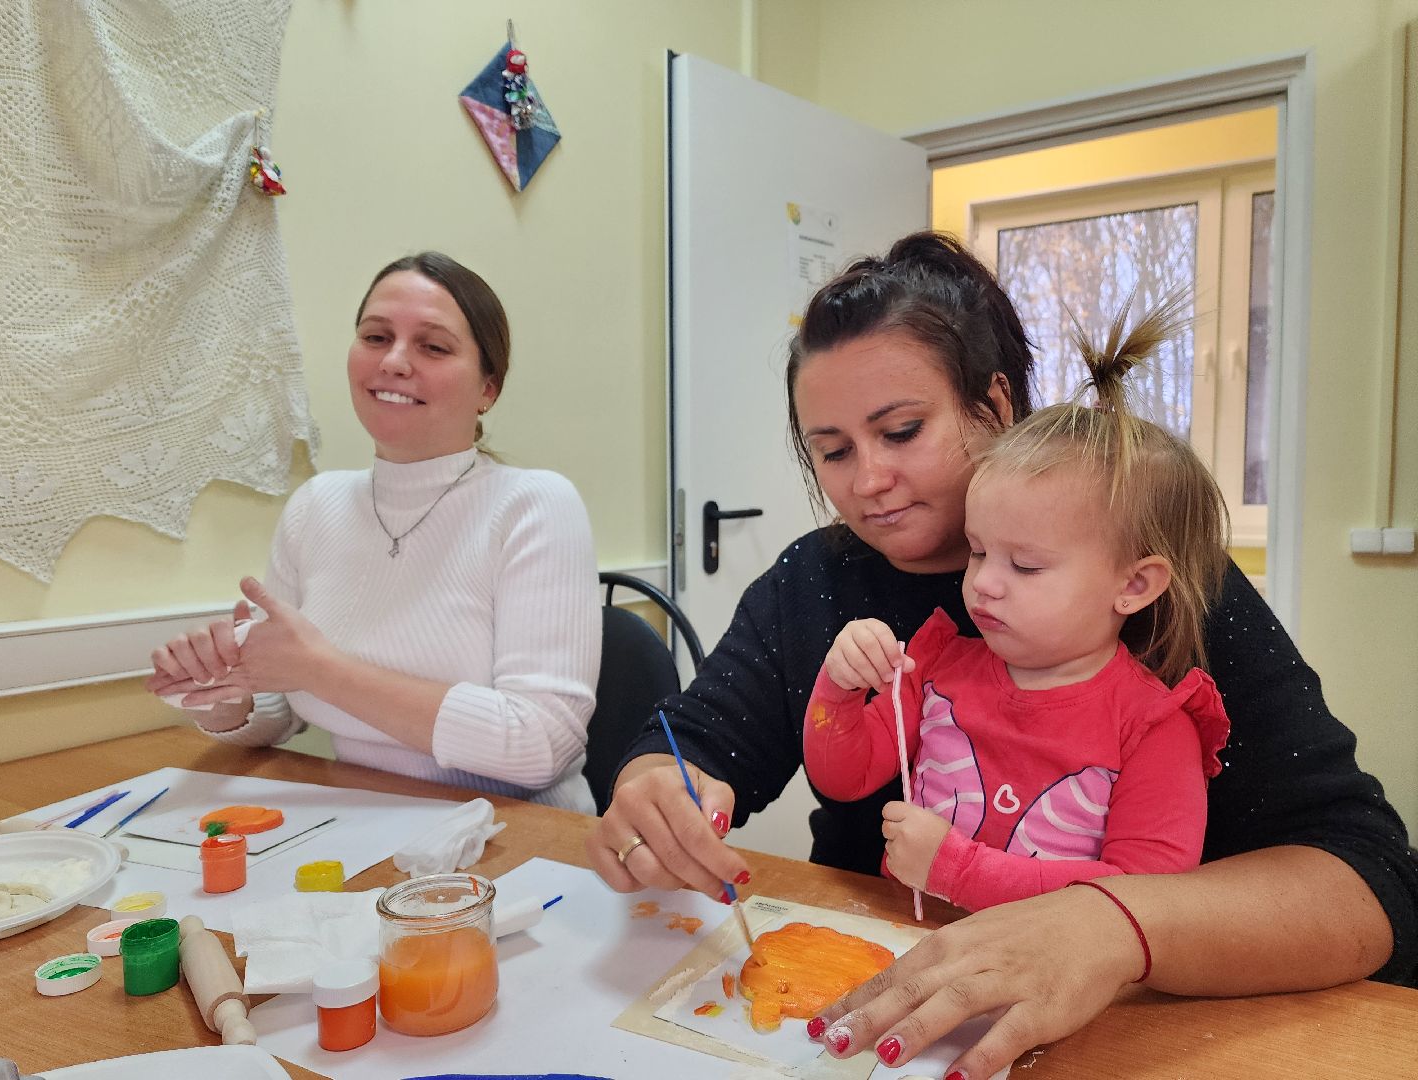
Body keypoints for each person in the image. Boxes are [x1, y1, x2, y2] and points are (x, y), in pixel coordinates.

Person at [585, 232, 1417, 1076]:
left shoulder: (1159, 582)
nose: (866, 481)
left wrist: (1116, 924)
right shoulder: (818, 581)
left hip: (1125, 1030)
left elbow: (1366, 882)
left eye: (902, 431)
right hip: (862, 1010)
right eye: (833, 451)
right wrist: (657, 788)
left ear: (996, 404)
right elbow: (696, 736)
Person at [805, 294, 1230, 911]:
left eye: (1025, 565)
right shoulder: (940, 666)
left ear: (1134, 586)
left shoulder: (1152, 728)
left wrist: (957, 869)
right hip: (908, 957)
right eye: (977, 552)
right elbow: (842, 776)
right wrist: (839, 687)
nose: (983, 583)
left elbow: (1146, 895)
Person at [146, 252, 601, 812]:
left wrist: (319, 667)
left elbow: (540, 747)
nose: (395, 362)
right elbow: (280, 714)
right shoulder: (316, 505)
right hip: (358, 825)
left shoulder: (533, 505)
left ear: (489, 388)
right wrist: (224, 698)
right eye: (376, 337)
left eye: (433, 346)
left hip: (520, 839)